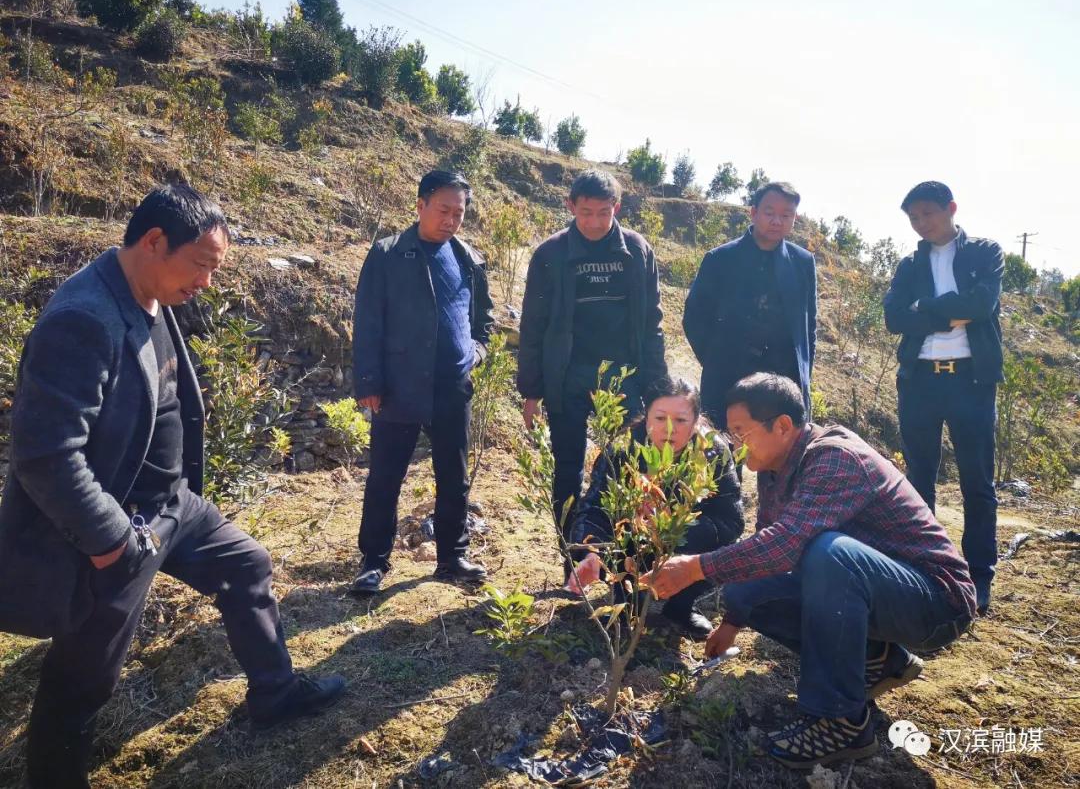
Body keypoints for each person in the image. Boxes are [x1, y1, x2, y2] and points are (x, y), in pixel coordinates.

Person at [0, 185, 346, 789]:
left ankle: (274, 692)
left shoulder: (148, 293)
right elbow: (46, 455)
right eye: (203, 264)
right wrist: (111, 545)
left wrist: (180, 494)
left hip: (170, 506)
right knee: (84, 680)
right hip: (115, 528)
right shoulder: (84, 318)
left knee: (247, 563)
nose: (206, 283)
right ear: (156, 242)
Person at [641, 373, 975, 770]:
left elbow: (786, 543)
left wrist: (696, 568)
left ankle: (841, 721)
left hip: (935, 602)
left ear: (782, 426)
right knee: (744, 592)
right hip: (879, 594)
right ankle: (878, 659)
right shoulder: (774, 466)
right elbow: (766, 546)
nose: (734, 443)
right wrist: (731, 620)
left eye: (741, 432)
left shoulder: (834, 457)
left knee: (827, 553)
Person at [349, 170, 494, 595]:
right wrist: (369, 382)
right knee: (385, 477)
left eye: (459, 212)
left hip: (451, 387)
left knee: (454, 475)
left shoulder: (469, 258)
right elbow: (368, 321)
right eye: (443, 209)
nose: (451, 220)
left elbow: (482, 320)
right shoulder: (389, 254)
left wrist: (476, 354)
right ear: (420, 205)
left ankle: (451, 558)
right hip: (398, 387)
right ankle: (373, 562)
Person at [517, 169, 667, 546]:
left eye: (604, 212)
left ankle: (623, 555)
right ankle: (571, 553)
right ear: (570, 206)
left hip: (624, 379)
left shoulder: (636, 251)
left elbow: (653, 324)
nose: (595, 222)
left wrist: (658, 389)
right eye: (586, 212)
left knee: (629, 466)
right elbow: (533, 325)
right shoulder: (551, 254)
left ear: (617, 207)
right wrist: (531, 392)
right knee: (567, 468)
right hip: (566, 377)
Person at [883, 181, 1003, 615]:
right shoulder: (909, 264)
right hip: (920, 380)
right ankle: (925, 566)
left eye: (928, 214)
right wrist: (945, 314)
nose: (921, 224)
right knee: (919, 478)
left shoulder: (984, 252)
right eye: (914, 218)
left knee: (977, 482)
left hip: (972, 381)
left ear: (950, 208)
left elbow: (981, 305)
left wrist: (924, 311)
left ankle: (979, 575)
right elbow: (894, 318)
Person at [566, 377, 744, 639]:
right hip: (629, 542)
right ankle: (625, 605)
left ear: (695, 422)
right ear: (646, 417)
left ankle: (680, 607)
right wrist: (592, 552)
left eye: (681, 420)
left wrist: (674, 526)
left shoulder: (712, 452)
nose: (669, 429)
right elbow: (593, 507)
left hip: (685, 544)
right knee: (613, 535)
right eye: (660, 418)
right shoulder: (622, 449)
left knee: (729, 552)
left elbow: (731, 520)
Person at [683, 182, 816, 428]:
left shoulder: (802, 262)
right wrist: (715, 360)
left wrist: (803, 375)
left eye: (786, 215)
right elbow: (694, 318)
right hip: (727, 375)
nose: (777, 221)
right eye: (769, 212)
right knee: (722, 453)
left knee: (781, 457)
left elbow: (808, 328)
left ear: (794, 218)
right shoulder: (721, 259)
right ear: (753, 212)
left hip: (782, 379)